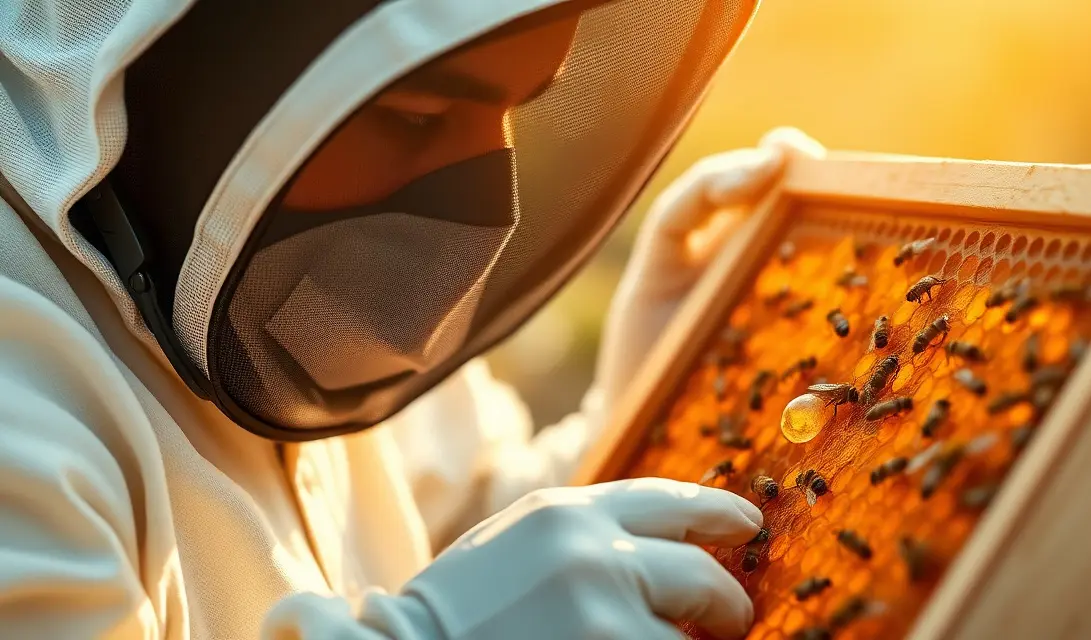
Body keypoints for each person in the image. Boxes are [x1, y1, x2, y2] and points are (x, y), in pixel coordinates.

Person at [0, 0, 824, 637]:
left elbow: (464, 542)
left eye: (513, 112)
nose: (481, 209)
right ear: (194, 84)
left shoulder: (311, 302)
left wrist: (645, 407)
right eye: (420, 117)